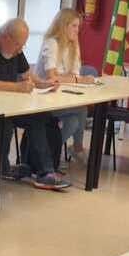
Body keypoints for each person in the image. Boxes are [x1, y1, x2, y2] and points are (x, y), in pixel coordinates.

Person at [0, 18, 69, 190]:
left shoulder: (14, 50)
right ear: (6, 38)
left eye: (22, 46)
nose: (19, 50)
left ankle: (45, 172)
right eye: (18, 45)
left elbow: (27, 76)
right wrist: (16, 87)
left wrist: (45, 84)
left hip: (5, 105)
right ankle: (2, 167)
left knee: (39, 117)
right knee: (5, 121)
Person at [36, 8, 93, 160]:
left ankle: (48, 152)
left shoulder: (73, 45)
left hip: (61, 96)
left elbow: (75, 74)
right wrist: (74, 79)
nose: (77, 30)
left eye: (78, 27)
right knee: (82, 109)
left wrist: (69, 78)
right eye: (74, 26)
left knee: (74, 121)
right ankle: (76, 149)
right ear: (63, 26)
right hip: (43, 98)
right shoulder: (51, 43)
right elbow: (52, 77)